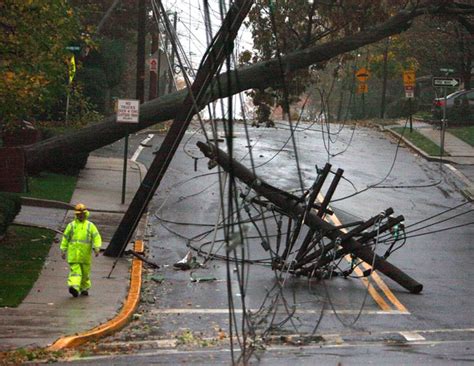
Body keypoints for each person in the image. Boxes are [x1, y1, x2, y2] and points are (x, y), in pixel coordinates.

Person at [60, 203, 102, 297]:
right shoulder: (71, 226)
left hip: (85, 256)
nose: (80, 216)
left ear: (85, 214)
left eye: (82, 214)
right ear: (76, 215)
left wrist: (97, 247)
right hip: (74, 255)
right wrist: (63, 249)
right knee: (76, 272)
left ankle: (84, 288)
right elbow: (65, 238)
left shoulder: (90, 226)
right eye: (79, 215)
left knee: (85, 273)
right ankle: (74, 287)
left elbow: (96, 237)